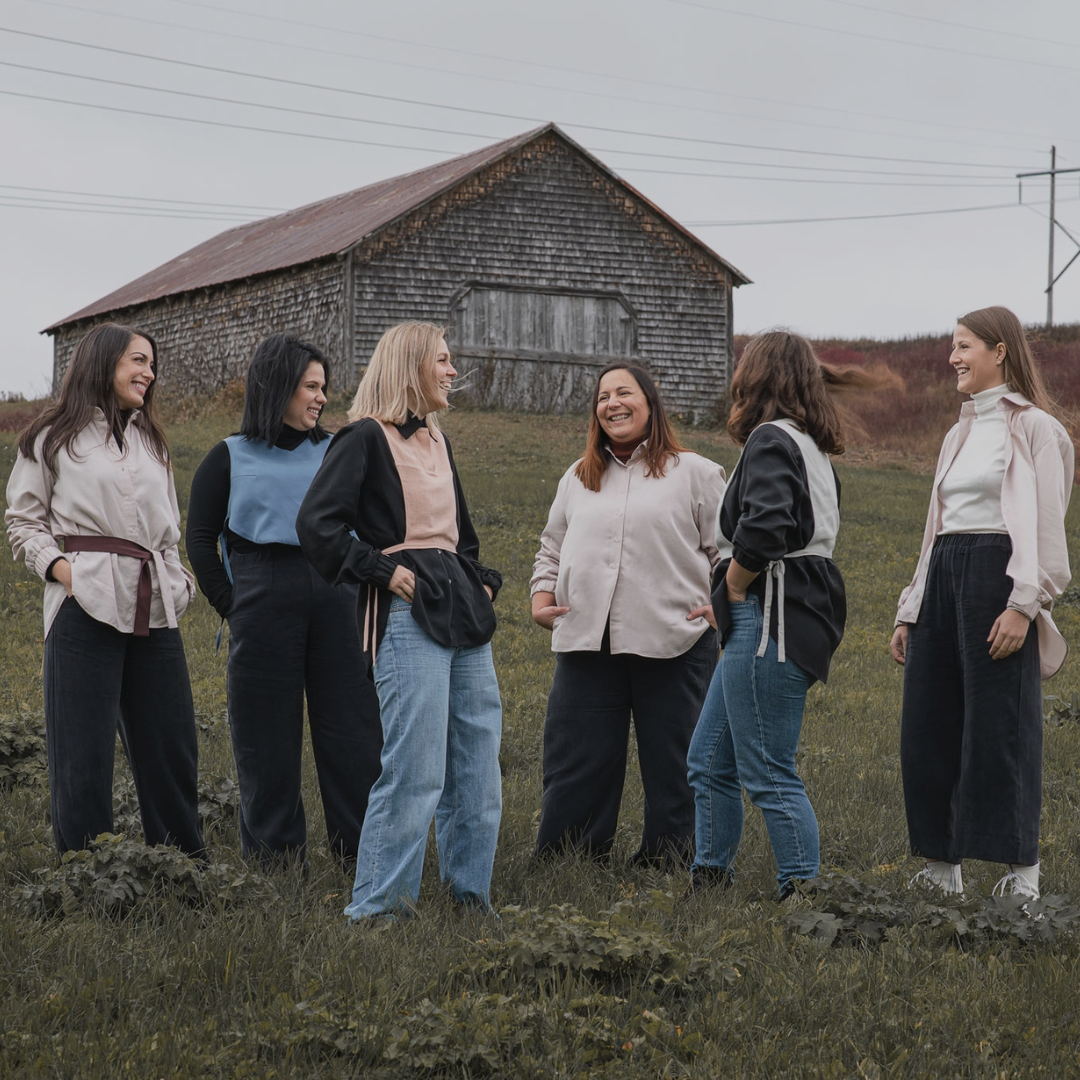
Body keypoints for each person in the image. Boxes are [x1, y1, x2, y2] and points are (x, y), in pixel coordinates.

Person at [297, 321, 503, 920]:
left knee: (477, 764)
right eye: (442, 360)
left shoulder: (439, 442)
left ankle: (471, 899)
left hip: (463, 610)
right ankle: (379, 909)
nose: (452, 370)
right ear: (411, 364)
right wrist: (383, 572)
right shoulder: (362, 438)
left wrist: (481, 582)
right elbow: (317, 525)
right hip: (408, 613)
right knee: (415, 766)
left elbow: (461, 534)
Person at [890, 306, 1072, 900]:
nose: (953, 358)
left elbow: (1047, 525)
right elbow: (933, 526)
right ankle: (944, 871)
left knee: (1001, 730)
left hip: (1000, 575)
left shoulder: (1038, 428)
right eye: (951, 346)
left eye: (964, 346)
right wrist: (911, 605)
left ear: (999, 350)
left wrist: (1025, 604)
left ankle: (1022, 877)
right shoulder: (958, 431)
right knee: (928, 722)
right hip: (943, 572)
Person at [5, 323, 204, 857]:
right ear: (103, 362)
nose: (149, 372)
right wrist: (67, 573)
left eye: (152, 363)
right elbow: (23, 522)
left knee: (171, 745)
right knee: (82, 751)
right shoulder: (51, 437)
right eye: (138, 361)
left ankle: (181, 867)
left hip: (155, 605)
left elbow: (169, 531)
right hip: (82, 606)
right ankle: (88, 875)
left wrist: (178, 580)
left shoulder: (151, 441)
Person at [185, 334, 382, 868]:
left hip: (338, 596)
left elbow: (370, 525)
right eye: (310, 387)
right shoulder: (228, 456)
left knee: (353, 730)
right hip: (262, 593)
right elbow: (200, 538)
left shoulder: (339, 449)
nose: (320, 398)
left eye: (324, 388)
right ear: (278, 387)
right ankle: (275, 860)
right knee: (265, 735)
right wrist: (233, 602)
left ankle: (361, 856)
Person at [530, 363, 725, 867]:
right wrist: (540, 596)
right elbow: (551, 547)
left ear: (650, 402)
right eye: (602, 396)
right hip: (586, 638)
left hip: (674, 638)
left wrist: (722, 606)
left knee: (675, 758)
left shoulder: (696, 472)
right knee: (577, 758)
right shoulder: (577, 476)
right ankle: (570, 855)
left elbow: (727, 549)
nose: (612, 403)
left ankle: (672, 857)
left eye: (624, 393)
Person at [687, 330, 858, 900]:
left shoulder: (769, 439)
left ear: (755, 376)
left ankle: (803, 899)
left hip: (771, 614)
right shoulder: (810, 445)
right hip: (791, 609)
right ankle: (710, 879)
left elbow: (766, 528)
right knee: (710, 759)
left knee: (768, 771)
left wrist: (734, 589)